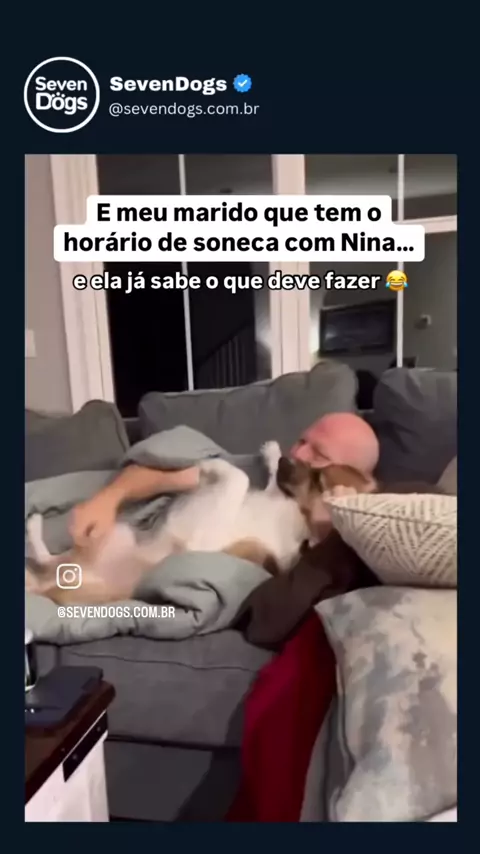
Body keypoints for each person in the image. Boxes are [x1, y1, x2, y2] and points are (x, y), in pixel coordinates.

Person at [69, 412, 379, 547]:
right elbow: (172, 470)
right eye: (302, 440)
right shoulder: (256, 469)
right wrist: (107, 499)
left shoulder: (339, 531)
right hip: (104, 512)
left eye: (319, 454)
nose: (297, 453)